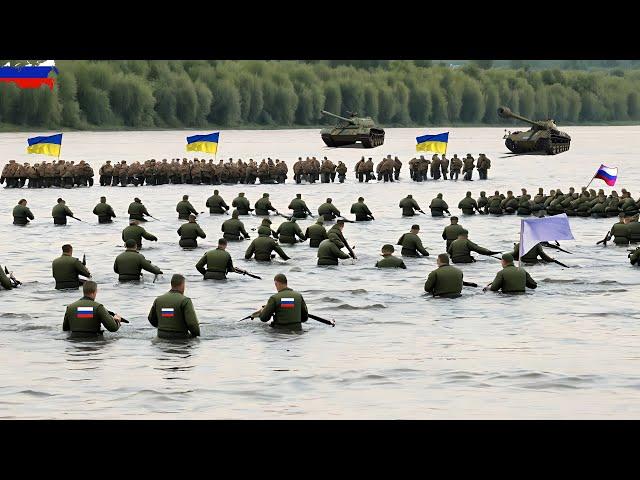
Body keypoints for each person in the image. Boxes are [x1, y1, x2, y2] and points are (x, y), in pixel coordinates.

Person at [148, 274, 200, 338]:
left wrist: (164, 327)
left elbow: (151, 319)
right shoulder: (185, 300)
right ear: (182, 284)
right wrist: (197, 334)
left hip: (161, 335)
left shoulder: (159, 300)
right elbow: (192, 324)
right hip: (180, 338)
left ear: (171, 284)